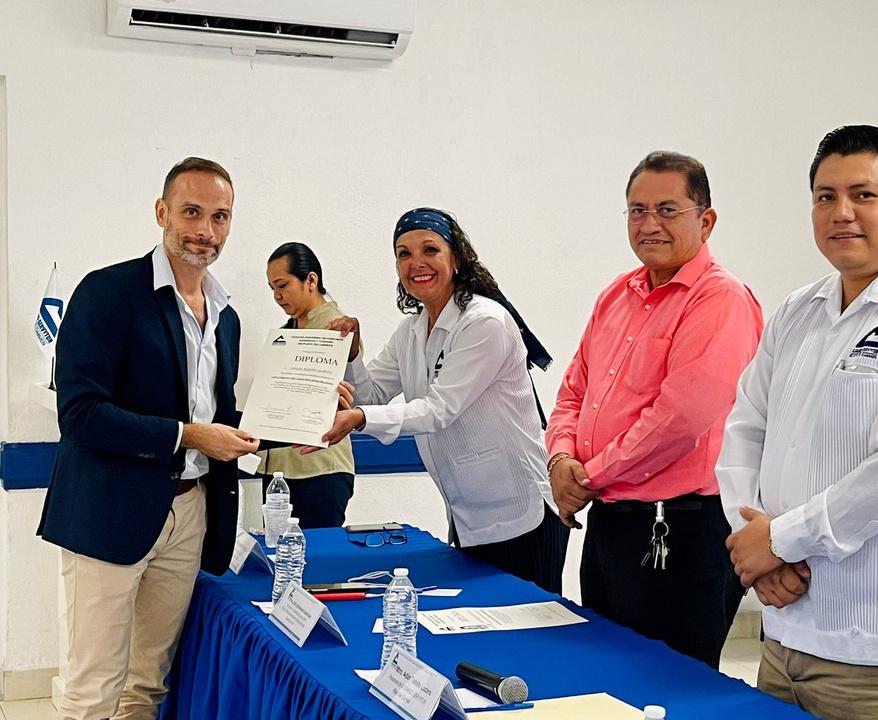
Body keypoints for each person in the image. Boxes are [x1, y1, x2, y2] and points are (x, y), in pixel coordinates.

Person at [720, 125, 878, 720]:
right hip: (785, 630)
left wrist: (777, 542)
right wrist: (755, 545)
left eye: (863, 194)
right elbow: (745, 429)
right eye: (825, 196)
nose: (841, 212)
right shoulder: (798, 311)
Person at [38, 158, 259, 720]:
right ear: (162, 212)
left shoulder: (226, 316)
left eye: (219, 217)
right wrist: (189, 436)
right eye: (192, 212)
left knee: (148, 685)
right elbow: (81, 414)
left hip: (190, 513)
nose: (205, 230)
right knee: (93, 691)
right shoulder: (108, 292)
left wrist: (305, 418)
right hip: (108, 512)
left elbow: (221, 417)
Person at [545, 151, 763, 667]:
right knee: (608, 674)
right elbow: (574, 392)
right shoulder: (616, 295)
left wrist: (588, 476)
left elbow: (679, 421)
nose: (649, 224)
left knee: (673, 686)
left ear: (706, 221)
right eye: (637, 210)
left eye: (667, 210)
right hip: (610, 523)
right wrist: (560, 459)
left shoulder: (720, 300)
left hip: (681, 531)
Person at [322, 207, 568, 593]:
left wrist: (359, 418)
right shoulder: (410, 330)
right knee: (478, 627)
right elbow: (371, 397)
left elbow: (439, 410)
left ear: (456, 258)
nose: (416, 263)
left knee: (526, 626)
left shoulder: (484, 322)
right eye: (404, 254)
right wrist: (352, 355)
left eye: (430, 250)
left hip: (522, 515)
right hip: (469, 517)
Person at [258, 242, 355, 527]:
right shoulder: (286, 333)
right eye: (272, 288)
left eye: (282, 285)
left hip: (319, 470)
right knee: (277, 550)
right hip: (278, 469)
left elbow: (354, 388)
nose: (277, 296)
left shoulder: (338, 328)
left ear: (311, 280)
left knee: (316, 552)